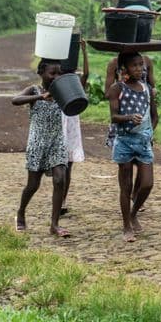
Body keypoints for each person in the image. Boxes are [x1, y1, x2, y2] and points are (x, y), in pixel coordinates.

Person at [13, 59, 70, 237]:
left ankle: (54, 225)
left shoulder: (62, 92)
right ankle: (21, 212)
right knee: (33, 185)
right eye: (52, 73)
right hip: (37, 142)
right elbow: (15, 100)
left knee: (60, 179)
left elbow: (80, 91)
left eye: (59, 73)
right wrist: (40, 97)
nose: (56, 77)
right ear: (41, 73)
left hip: (57, 141)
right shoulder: (34, 90)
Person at [107, 51, 158, 242]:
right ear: (124, 69)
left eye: (141, 65)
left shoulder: (147, 89)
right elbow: (113, 117)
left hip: (143, 142)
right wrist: (129, 118)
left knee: (147, 183)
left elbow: (155, 116)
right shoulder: (116, 88)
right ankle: (126, 225)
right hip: (124, 141)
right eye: (134, 65)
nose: (139, 68)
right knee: (126, 186)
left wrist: (149, 132)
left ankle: (134, 212)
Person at [60, 38, 90, 216]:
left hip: (70, 125)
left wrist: (84, 51)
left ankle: (63, 199)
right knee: (61, 165)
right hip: (61, 124)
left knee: (68, 165)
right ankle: (59, 198)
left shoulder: (75, 82)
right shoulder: (56, 82)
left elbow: (85, 75)